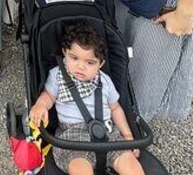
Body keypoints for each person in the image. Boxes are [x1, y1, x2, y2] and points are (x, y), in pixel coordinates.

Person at [29, 23, 143, 175]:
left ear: (101, 64)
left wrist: (128, 136)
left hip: (108, 133)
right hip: (73, 138)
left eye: (90, 63)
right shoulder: (57, 75)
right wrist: (40, 105)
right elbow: (48, 96)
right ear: (65, 53)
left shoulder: (105, 81)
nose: (81, 66)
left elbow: (115, 108)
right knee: (80, 169)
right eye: (74, 58)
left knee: (131, 166)